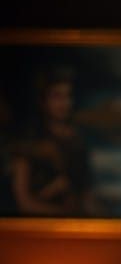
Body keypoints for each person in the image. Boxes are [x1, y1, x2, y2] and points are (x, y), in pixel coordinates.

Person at [9, 67, 95, 217]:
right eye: (57, 96)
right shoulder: (29, 142)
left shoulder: (77, 140)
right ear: (43, 101)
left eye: (68, 96)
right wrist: (67, 214)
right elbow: (23, 202)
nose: (64, 103)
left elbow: (86, 193)